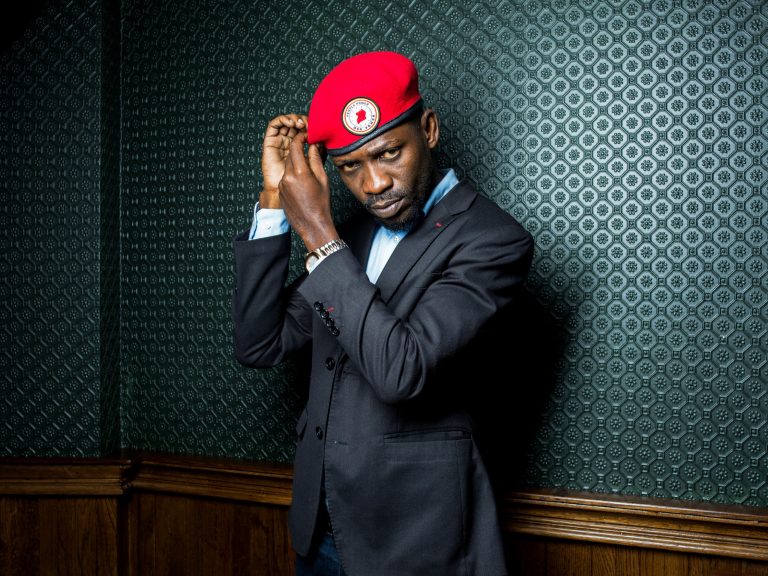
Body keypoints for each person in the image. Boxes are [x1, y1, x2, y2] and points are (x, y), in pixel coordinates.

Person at [233, 51, 534, 576]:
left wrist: (318, 234)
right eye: (350, 166)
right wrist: (277, 201)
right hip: (320, 524)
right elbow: (259, 343)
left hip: (415, 539)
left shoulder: (493, 240)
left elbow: (402, 371)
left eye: (390, 153)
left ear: (429, 130)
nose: (374, 184)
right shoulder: (352, 238)